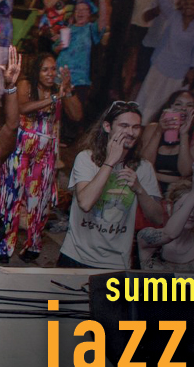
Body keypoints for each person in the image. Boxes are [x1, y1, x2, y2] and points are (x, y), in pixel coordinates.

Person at [56, 100, 166, 269]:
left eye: (136, 127)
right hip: (75, 256)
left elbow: (158, 217)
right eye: (124, 125)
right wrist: (110, 162)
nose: (130, 132)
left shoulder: (144, 167)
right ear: (107, 127)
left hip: (116, 263)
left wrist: (139, 189)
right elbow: (85, 203)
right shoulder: (86, 159)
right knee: (54, 297)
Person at [0, 53, 81, 263]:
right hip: (20, 149)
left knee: (40, 200)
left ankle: (33, 244)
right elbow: (22, 107)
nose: (51, 74)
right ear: (37, 71)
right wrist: (52, 98)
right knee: (11, 197)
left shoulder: (59, 91)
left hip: (45, 153)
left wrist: (67, 92)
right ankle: (3, 247)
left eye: (53, 69)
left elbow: (77, 115)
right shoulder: (26, 85)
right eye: (45, 69)